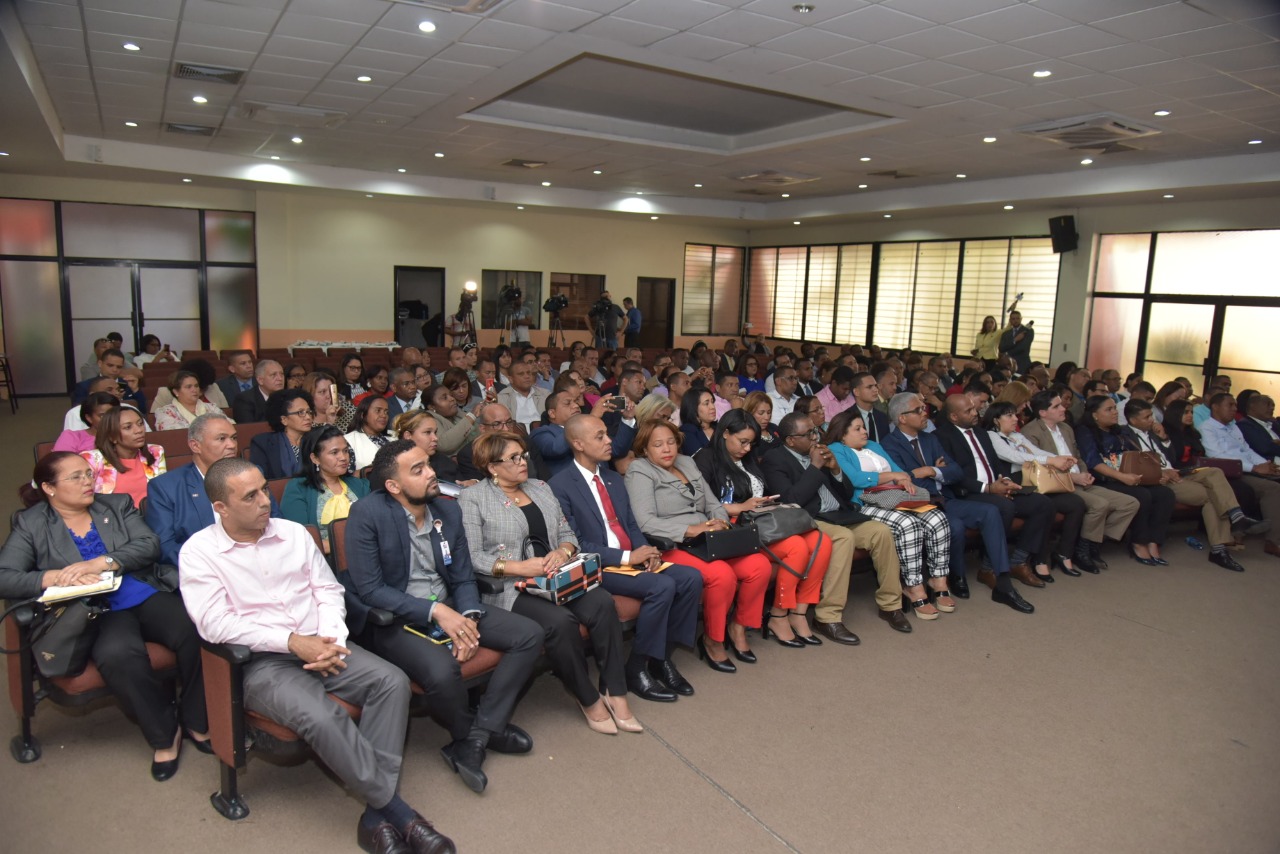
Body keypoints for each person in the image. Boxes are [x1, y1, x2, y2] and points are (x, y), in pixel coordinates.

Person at [179, 458, 455, 854]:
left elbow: (327, 591)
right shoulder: (199, 553)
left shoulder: (293, 534)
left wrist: (330, 638)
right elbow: (215, 624)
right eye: (250, 496)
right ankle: (399, 813)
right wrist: (292, 641)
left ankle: (375, 818)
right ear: (221, 507)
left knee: (391, 682)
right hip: (262, 662)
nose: (265, 501)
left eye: (264, 489)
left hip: (324, 642)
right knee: (322, 716)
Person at [345, 441, 542, 794]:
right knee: (441, 670)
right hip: (395, 617)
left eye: (428, 464)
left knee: (529, 635)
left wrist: (468, 617)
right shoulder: (367, 514)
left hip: (451, 603)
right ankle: (469, 732)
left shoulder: (447, 510)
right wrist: (436, 611)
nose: (431, 473)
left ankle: (479, 734)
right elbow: (371, 589)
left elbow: (464, 577)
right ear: (393, 486)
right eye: (418, 470)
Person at [1, 452, 208, 780]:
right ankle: (165, 733)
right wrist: (52, 577)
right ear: (49, 488)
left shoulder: (115, 504)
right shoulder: (32, 523)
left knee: (196, 629)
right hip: (94, 609)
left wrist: (102, 562)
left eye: (88, 473)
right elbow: (5, 576)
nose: (88, 482)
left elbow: (148, 544)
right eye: (76, 477)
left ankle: (197, 718)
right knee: (119, 655)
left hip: (138, 590)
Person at [458, 431, 639, 735]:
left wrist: (562, 551)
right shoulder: (473, 498)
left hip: (558, 576)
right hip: (513, 586)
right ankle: (588, 698)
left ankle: (615, 691)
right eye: (513, 458)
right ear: (492, 466)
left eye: (523, 455)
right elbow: (473, 556)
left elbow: (568, 534)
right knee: (561, 623)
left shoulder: (540, 487)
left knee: (602, 603)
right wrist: (519, 567)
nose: (523, 462)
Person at [550, 415, 703, 701]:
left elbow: (631, 524)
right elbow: (576, 543)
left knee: (691, 578)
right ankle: (636, 667)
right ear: (578, 444)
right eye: (600, 436)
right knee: (662, 586)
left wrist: (647, 552)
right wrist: (627, 556)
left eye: (607, 434)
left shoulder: (612, 478)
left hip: (630, 558)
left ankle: (661, 657)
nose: (609, 441)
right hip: (599, 565)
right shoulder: (559, 485)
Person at [624, 419, 772, 670]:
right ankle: (713, 640)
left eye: (671, 442)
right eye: (658, 445)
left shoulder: (686, 462)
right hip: (674, 544)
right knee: (721, 575)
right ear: (645, 449)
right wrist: (692, 529)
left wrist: (720, 522)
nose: (667, 449)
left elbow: (713, 503)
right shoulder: (639, 471)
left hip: (709, 538)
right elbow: (645, 522)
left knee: (759, 565)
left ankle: (737, 627)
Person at [880, 393, 1035, 614]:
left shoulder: (929, 439)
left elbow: (956, 472)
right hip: (919, 506)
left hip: (946, 500)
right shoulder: (888, 445)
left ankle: (1003, 582)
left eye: (924, 408)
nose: (925, 413)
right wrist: (936, 472)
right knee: (955, 526)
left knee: (991, 511)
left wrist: (930, 470)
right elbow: (906, 481)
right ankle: (955, 577)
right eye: (918, 410)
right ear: (902, 418)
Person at [760, 410, 907, 636]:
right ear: (790, 440)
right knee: (843, 538)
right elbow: (792, 500)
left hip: (839, 514)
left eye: (815, 431)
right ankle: (828, 616)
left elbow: (846, 494)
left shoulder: (820, 452)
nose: (815, 437)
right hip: (810, 519)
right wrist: (815, 467)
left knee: (881, 532)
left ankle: (890, 605)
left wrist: (836, 470)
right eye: (808, 434)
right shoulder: (775, 459)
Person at [695, 409, 835, 639]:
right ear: (725, 433)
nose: (747, 448)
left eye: (751, 443)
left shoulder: (747, 458)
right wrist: (740, 507)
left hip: (761, 519)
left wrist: (765, 502)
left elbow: (762, 490)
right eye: (743, 441)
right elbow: (701, 503)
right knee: (796, 547)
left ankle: (799, 611)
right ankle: (779, 614)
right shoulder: (707, 458)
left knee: (822, 541)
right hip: (735, 525)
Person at [824, 410, 955, 620]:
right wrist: (892, 476)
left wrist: (902, 479)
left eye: (863, 427)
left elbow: (899, 470)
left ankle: (938, 580)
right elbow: (855, 479)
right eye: (857, 429)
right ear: (843, 434)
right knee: (908, 524)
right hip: (865, 502)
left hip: (894, 498)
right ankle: (913, 586)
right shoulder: (837, 449)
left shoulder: (873, 446)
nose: (864, 431)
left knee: (937, 518)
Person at [1121, 399, 1267, 572]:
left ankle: (1236, 516)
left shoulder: (1153, 432)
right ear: (1133, 420)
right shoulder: (1124, 435)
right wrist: (1162, 473)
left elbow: (1172, 458)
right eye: (1146, 417)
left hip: (1176, 471)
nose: (1152, 419)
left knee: (1214, 471)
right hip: (1161, 480)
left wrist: (1164, 438)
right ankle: (1219, 549)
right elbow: (1132, 465)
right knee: (1213, 497)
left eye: (1151, 415)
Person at [933, 394, 1056, 587]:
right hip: (971, 492)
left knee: (1043, 504)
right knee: (1004, 507)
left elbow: (995, 464)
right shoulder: (941, 437)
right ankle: (988, 568)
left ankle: (1018, 561)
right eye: (968, 411)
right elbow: (952, 475)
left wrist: (1005, 481)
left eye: (974, 408)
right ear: (954, 417)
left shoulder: (981, 433)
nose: (975, 413)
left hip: (996, 487)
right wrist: (988, 488)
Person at [1018, 390, 1137, 572]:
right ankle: (1081, 551)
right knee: (1100, 505)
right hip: (1059, 485)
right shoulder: (1031, 432)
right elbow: (1039, 468)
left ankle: (1090, 542)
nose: (1063, 408)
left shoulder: (1066, 428)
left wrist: (1084, 472)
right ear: (1043, 412)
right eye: (1056, 406)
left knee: (1129, 504)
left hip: (1080, 480)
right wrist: (1074, 477)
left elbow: (1078, 457)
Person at [146, 413, 280, 566]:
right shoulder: (165, 487)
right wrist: (219, 565)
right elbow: (166, 547)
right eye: (222, 439)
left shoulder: (251, 474)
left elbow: (276, 523)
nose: (232, 445)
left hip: (261, 561)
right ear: (195, 446)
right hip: (204, 568)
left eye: (234, 438)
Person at [984, 401, 1090, 578]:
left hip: (1033, 481)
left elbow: (1035, 451)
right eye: (1009, 415)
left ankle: (1063, 554)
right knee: (1045, 505)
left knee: (1076, 503)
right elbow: (1014, 456)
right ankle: (1029, 559)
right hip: (1012, 484)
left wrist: (1060, 458)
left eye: (1015, 415)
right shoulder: (991, 436)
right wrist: (1051, 461)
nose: (1015, 419)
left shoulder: (1017, 436)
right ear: (996, 420)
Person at [1074, 395, 1177, 566]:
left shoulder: (1119, 431)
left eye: (1115, 408)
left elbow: (1135, 456)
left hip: (1126, 476)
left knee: (1165, 494)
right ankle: (1138, 541)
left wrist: (1156, 475)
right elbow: (1093, 462)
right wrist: (1122, 477)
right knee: (1142, 495)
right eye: (1109, 409)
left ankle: (1153, 541)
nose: (1115, 412)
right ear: (1094, 415)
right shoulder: (1085, 431)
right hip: (1104, 479)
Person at [1199, 393, 1280, 561]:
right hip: (1228, 472)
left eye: (1235, 405)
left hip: (1248, 468)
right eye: (1230, 405)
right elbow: (1218, 456)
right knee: (1272, 488)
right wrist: (1255, 468)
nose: (1234, 409)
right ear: (1215, 407)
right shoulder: (1207, 428)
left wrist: (1265, 464)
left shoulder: (1234, 427)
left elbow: (1247, 450)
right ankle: (1273, 541)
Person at [280, 425, 371, 554]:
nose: (343, 457)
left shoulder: (359, 485)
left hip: (366, 554)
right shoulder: (298, 488)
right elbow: (301, 540)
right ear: (315, 458)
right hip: (323, 559)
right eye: (334, 452)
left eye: (345, 450)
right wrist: (349, 546)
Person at [82, 406, 166, 507]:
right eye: (128, 427)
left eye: (140, 424)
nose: (139, 430)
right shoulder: (92, 459)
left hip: (151, 513)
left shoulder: (155, 451)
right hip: (112, 516)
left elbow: (163, 491)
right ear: (111, 436)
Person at [396, 409, 464, 484]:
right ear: (408, 436)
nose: (435, 438)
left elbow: (461, 483)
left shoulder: (443, 461)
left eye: (435, 432)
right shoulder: (395, 467)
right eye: (427, 432)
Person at [153, 370, 225, 431]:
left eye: (196, 386)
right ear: (176, 392)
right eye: (188, 387)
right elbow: (172, 434)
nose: (194, 390)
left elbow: (227, 425)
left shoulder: (212, 408)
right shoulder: (166, 412)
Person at [151, 357, 229, 411]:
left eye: (203, 388)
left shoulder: (213, 387)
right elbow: (153, 419)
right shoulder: (165, 393)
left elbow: (226, 412)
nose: (198, 391)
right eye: (189, 386)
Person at [53, 391, 120, 453]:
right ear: (89, 418)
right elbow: (62, 461)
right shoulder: (72, 437)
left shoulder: (123, 435)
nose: (110, 419)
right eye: (102, 416)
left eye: (114, 414)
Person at [425, 382, 478, 458]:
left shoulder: (458, 412)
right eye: (444, 398)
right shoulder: (429, 419)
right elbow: (444, 445)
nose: (452, 399)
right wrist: (472, 416)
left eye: (451, 395)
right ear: (431, 407)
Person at [497, 360, 549, 432]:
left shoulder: (545, 394)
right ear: (511, 379)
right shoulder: (502, 398)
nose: (527, 376)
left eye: (528, 373)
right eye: (521, 374)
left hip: (544, 434)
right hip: (516, 436)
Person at [345, 395, 393, 472]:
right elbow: (347, 476)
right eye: (378, 410)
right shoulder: (348, 440)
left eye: (386, 412)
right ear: (363, 415)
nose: (384, 415)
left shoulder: (394, 437)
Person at [233, 359, 285, 424]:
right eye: (273, 375)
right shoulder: (244, 400)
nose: (280, 378)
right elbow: (248, 427)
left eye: (282, 374)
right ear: (260, 380)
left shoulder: (289, 397)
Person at [1238, 394, 1280, 463]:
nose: (1272, 408)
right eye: (1268, 404)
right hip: (1268, 462)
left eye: (1273, 405)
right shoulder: (1245, 424)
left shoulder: (1274, 425)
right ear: (1253, 406)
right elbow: (1264, 448)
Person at [744, 391, 781, 462]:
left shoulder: (774, 427)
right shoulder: (746, 434)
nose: (766, 417)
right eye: (761, 413)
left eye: (769, 412)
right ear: (749, 412)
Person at [679, 388, 717, 456]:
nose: (712, 407)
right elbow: (700, 458)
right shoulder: (687, 431)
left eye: (712, 402)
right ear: (693, 407)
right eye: (706, 403)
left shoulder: (719, 427)